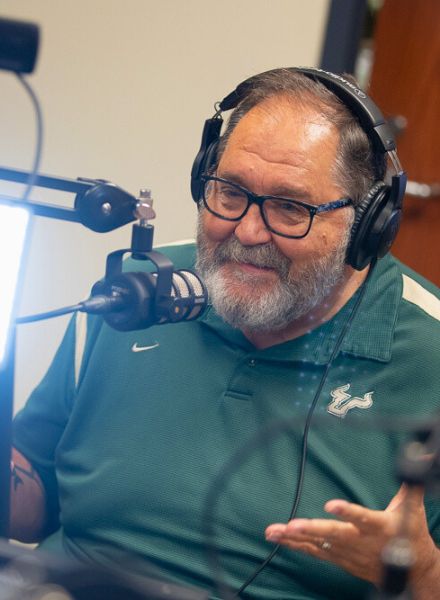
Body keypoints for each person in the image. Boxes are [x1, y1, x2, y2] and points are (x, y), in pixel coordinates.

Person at [8, 68, 440, 599]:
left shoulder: (430, 358)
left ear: (369, 221)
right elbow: (33, 501)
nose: (248, 231)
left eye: (290, 208)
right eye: (230, 193)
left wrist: (420, 575)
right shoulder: (136, 292)